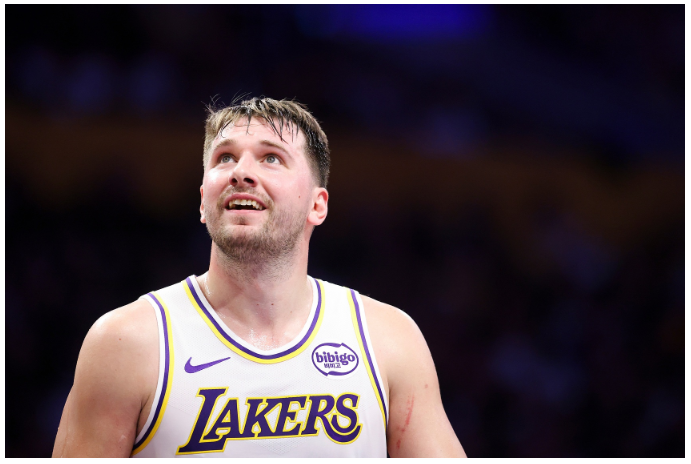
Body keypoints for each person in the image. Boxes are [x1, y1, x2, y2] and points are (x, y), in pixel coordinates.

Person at [52, 97, 466, 458]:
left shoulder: (388, 339)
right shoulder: (126, 343)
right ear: (203, 201)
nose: (241, 172)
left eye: (271, 158)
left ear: (317, 205)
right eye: (224, 158)